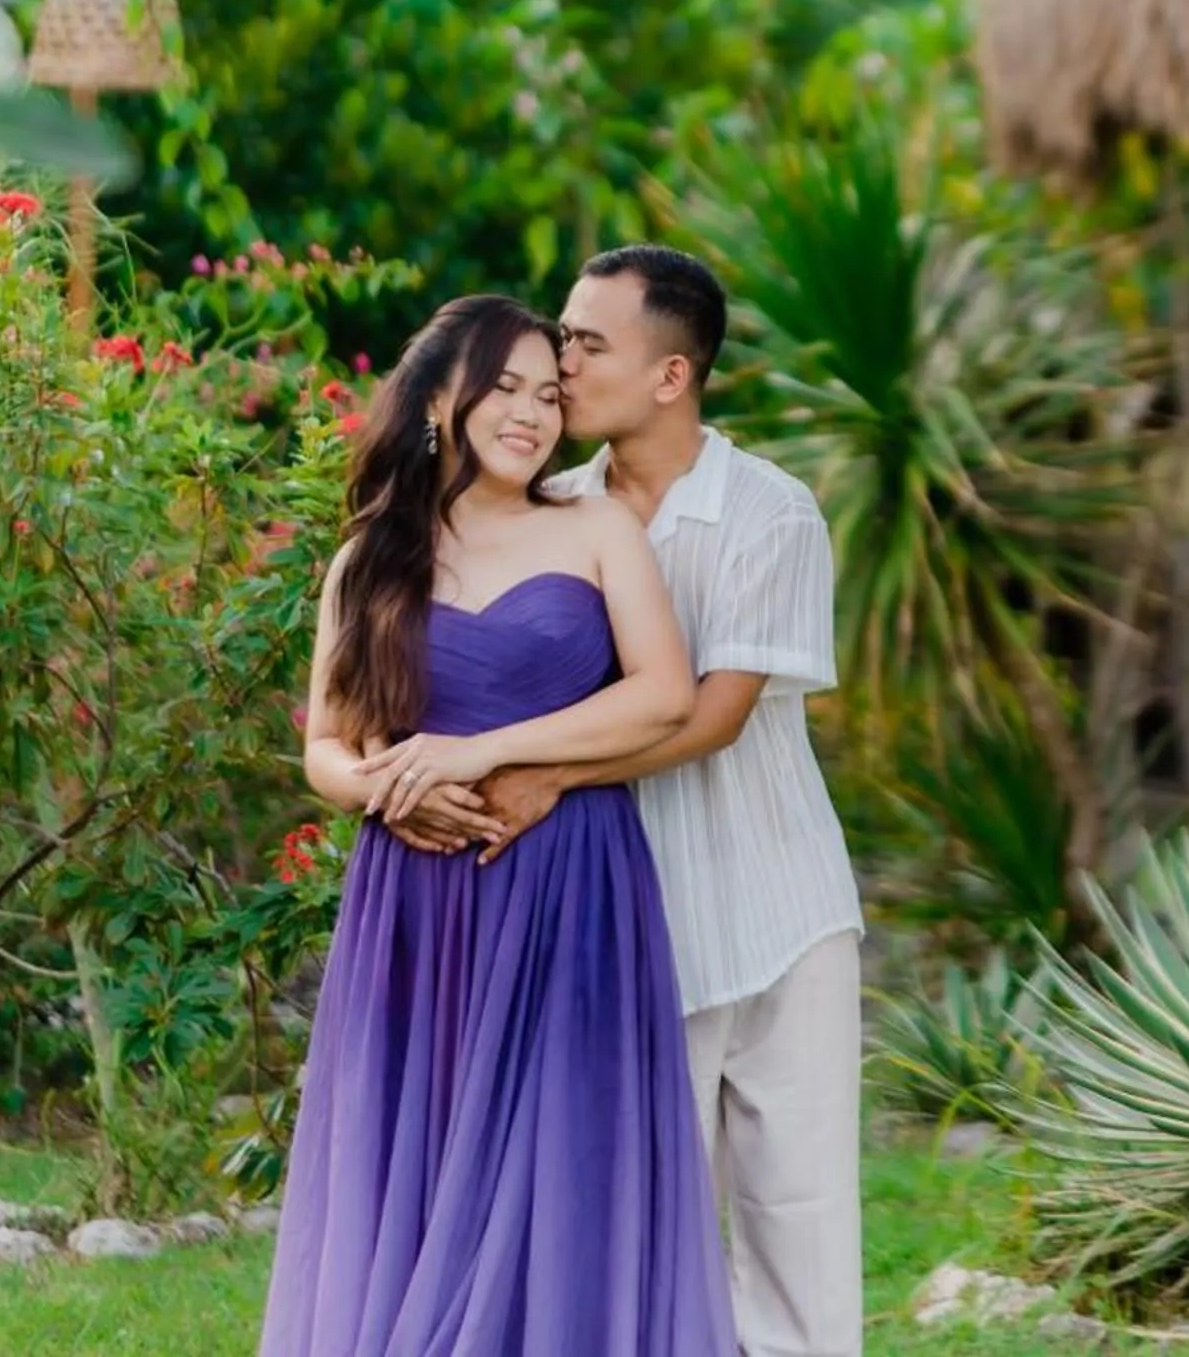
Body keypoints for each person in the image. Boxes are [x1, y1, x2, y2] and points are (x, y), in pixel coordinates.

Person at [258, 294, 735, 1357]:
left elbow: (663, 695)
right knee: (422, 1153)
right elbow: (326, 746)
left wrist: (477, 754)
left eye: (549, 394)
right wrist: (387, 788)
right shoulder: (370, 558)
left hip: (570, 880)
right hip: (417, 896)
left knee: (559, 1148)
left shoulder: (595, 528)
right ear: (440, 398)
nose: (531, 413)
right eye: (505, 387)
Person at [482, 245, 866, 1357]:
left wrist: (549, 775)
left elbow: (712, 716)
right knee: (638, 1216)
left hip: (781, 906)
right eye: (562, 335)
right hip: (625, 908)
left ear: (671, 375)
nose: (560, 362)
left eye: (587, 343)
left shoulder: (770, 513)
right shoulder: (550, 510)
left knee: (798, 1216)